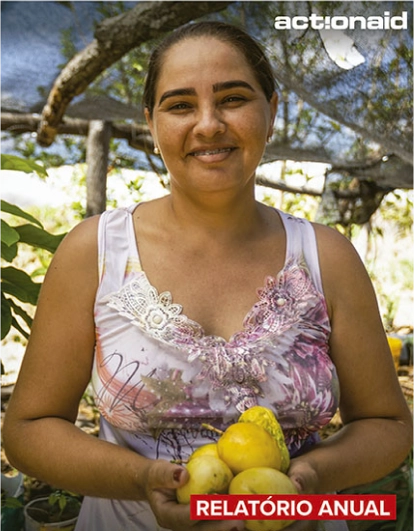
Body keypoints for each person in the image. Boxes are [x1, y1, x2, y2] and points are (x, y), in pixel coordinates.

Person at [3, 21, 413, 531]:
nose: (208, 124)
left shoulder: (326, 256)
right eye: (180, 105)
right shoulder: (97, 251)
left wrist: (307, 480)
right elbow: (28, 429)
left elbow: (388, 424)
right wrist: (142, 479)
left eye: (233, 98)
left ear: (273, 112)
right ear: (151, 123)